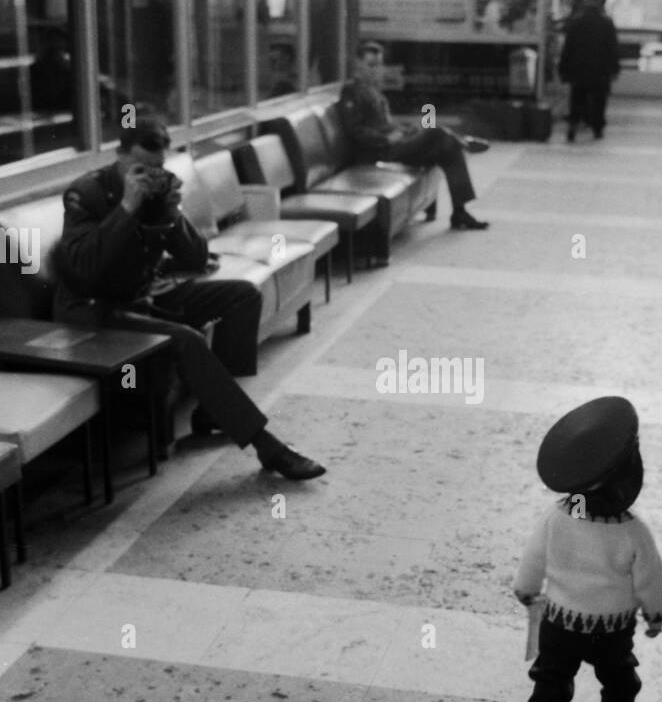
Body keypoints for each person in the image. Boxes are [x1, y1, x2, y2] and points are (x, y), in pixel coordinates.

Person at [52, 114, 326, 481]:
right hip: (93, 311)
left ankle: (212, 413)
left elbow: (195, 259)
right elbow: (84, 269)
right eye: (141, 168)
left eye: (158, 168)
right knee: (187, 340)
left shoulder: (159, 193)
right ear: (119, 156)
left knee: (242, 296)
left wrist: (173, 213)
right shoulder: (85, 194)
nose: (150, 176)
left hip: (142, 296)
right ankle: (265, 445)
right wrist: (127, 208)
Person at [514, 397, 662, 702]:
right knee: (619, 679)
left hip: (560, 623)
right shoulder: (634, 531)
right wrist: (654, 612)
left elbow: (534, 558)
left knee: (550, 681)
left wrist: (526, 588)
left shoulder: (556, 518)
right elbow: (650, 577)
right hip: (612, 629)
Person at [337, 41, 490, 231]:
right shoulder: (351, 92)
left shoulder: (373, 91)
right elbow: (355, 131)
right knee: (437, 132)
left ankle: (460, 211)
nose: (377, 71)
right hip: (380, 153)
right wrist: (385, 139)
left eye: (379, 65)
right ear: (358, 67)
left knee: (447, 149)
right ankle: (463, 143)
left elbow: (383, 124)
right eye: (371, 65)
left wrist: (403, 129)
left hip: (395, 145)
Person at [557, 0, 620, 142]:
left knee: (577, 99)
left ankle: (573, 126)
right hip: (600, 70)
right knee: (599, 100)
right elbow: (612, 48)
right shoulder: (606, 22)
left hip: (579, 69)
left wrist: (563, 69)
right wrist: (614, 69)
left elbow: (568, 47)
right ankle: (597, 128)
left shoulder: (577, 21)